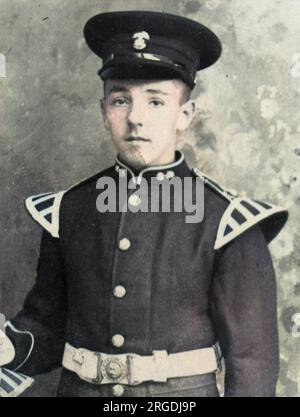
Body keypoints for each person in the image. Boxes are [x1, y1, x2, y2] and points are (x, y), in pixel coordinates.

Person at [0, 10, 288, 397]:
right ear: (104, 111)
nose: (136, 118)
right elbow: (49, 327)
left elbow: (251, 362)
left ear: (184, 115)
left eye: (155, 102)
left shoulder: (227, 220)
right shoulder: (69, 211)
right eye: (120, 100)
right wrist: (11, 347)